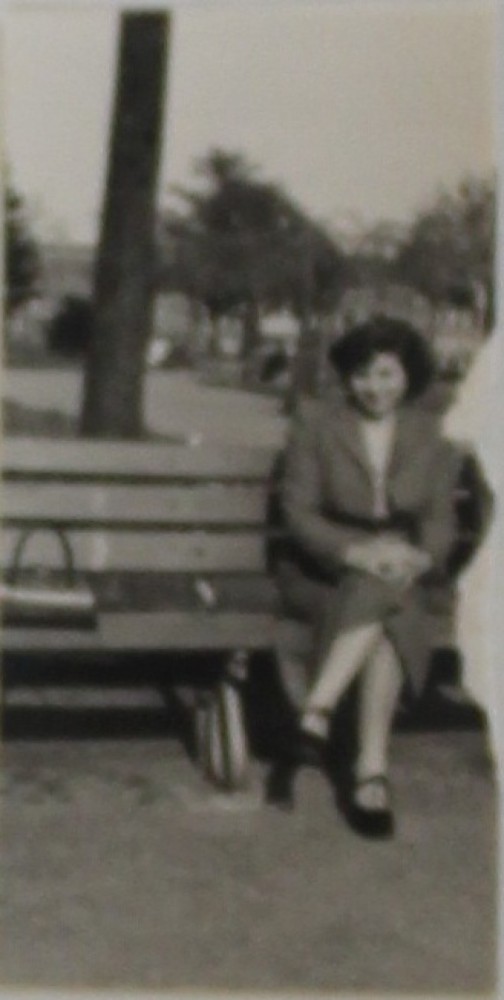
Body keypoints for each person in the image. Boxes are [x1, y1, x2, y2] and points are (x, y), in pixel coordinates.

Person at [272, 315, 461, 838]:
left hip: (401, 566)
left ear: (408, 375)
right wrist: (355, 552)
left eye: (386, 374)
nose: (374, 388)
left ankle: (316, 715)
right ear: (346, 377)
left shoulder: (433, 434)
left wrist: (420, 558)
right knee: (388, 595)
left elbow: (440, 520)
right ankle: (370, 772)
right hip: (322, 571)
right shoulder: (317, 423)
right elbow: (298, 513)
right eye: (362, 375)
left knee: (389, 592)